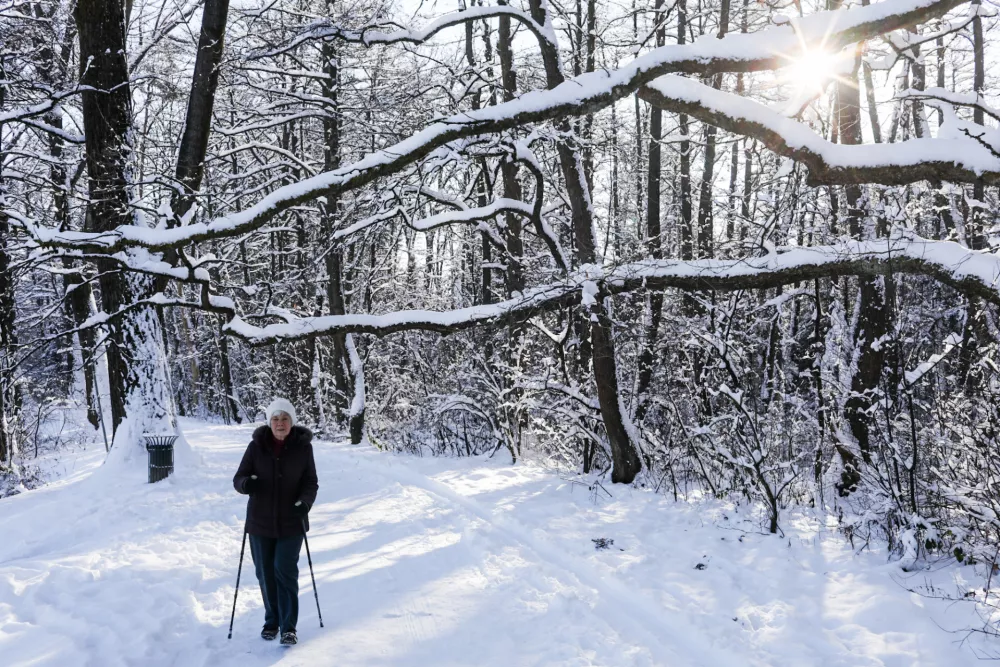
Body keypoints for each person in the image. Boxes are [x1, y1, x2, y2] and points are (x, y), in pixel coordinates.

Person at [233, 398, 318, 645]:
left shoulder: (303, 448)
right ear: (269, 422)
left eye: (285, 419)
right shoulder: (256, 447)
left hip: (292, 521)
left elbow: (310, 482)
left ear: (292, 422)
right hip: (259, 523)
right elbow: (239, 478)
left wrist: (305, 502)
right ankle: (272, 621)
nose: (280, 423)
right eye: (276, 419)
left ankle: (288, 627)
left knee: (285, 570)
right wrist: (246, 484)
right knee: (265, 573)